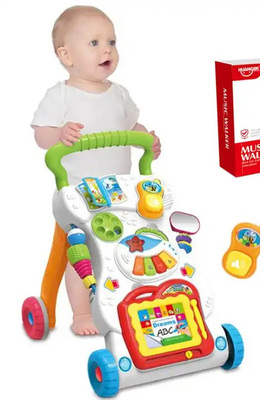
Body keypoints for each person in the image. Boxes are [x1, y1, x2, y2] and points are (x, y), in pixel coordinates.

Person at [31, 5, 161, 335]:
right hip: (78, 195)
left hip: (122, 193)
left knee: (129, 249)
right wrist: (59, 135)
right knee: (82, 254)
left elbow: (132, 127)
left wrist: (148, 140)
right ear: (66, 55)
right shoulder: (60, 95)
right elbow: (41, 135)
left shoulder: (119, 94)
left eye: (112, 42)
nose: (107, 49)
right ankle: (82, 314)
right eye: (94, 43)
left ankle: (131, 303)